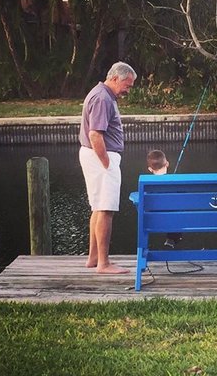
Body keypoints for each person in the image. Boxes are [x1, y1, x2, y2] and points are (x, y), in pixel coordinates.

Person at [79, 62, 137, 274]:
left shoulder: (101, 94)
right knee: (106, 209)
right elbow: (95, 134)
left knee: (98, 207)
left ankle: (93, 258)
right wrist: (106, 163)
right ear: (114, 78)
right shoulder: (103, 98)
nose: (127, 90)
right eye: (127, 85)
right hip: (101, 159)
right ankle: (103, 263)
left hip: (96, 157)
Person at [146, 149, 183, 248]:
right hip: (173, 221)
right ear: (167, 164)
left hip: (153, 221)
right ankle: (172, 238)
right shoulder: (175, 182)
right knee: (175, 211)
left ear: (150, 169)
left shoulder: (147, 184)